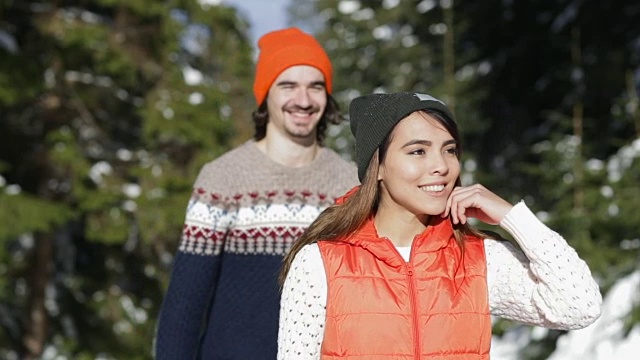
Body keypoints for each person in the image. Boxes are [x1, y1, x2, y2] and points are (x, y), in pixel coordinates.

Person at [277, 92, 602, 360]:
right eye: (418, 151)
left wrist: (510, 216)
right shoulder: (320, 263)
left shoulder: (477, 258)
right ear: (378, 167)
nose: (441, 166)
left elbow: (578, 306)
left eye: (449, 150)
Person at [155, 27, 358, 360]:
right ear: (266, 93)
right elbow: (184, 307)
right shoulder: (223, 179)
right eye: (288, 85)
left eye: (315, 86)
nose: (304, 100)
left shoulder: (349, 185)